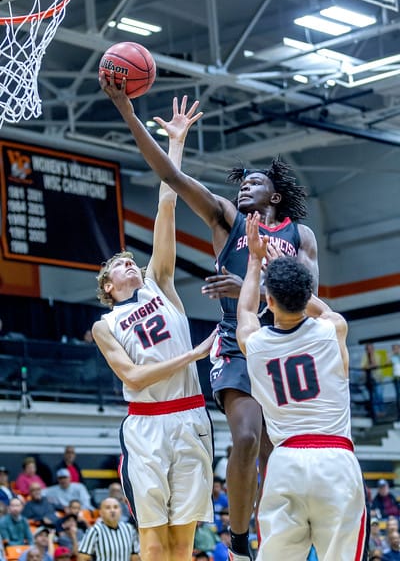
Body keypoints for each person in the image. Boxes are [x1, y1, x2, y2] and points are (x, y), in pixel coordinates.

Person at [99, 74, 319, 560]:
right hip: (234, 344)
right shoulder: (227, 220)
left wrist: (248, 288)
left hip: (281, 343)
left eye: (254, 182)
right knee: (244, 436)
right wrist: (129, 114)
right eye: (241, 183)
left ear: (275, 196)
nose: (244, 187)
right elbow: (171, 183)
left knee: (274, 452)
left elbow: (305, 301)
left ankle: (274, 540)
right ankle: (239, 542)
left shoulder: (301, 236)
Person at [92, 96, 214, 561]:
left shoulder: (159, 284)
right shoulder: (106, 324)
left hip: (191, 417)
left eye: (131, 260)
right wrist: (192, 355)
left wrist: (175, 142)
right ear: (108, 283)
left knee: (184, 540)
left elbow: (168, 204)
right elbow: (135, 378)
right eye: (122, 263)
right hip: (145, 426)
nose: (131, 264)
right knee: (153, 538)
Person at [235, 212, 367, 560]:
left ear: (270, 302)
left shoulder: (256, 343)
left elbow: (245, 313)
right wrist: (282, 265)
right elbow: (323, 312)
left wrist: (254, 258)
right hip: (336, 460)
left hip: (285, 463)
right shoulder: (332, 330)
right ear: (306, 294)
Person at [390, 344, 400, 419]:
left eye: (397, 348)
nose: (396, 350)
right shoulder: (392, 357)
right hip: (396, 378)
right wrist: (392, 353)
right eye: (394, 349)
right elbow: (387, 362)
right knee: (398, 396)